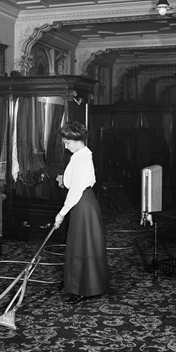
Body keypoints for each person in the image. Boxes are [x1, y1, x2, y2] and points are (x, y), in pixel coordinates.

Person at [54, 121, 109, 304]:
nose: (65, 145)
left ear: (77, 140)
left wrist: (61, 214)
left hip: (82, 203)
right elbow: (76, 182)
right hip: (85, 202)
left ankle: (83, 289)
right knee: (83, 245)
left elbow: (76, 190)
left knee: (81, 246)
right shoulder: (80, 155)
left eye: (67, 142)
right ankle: (83, 285)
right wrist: (64, 179)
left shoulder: (82, 158)